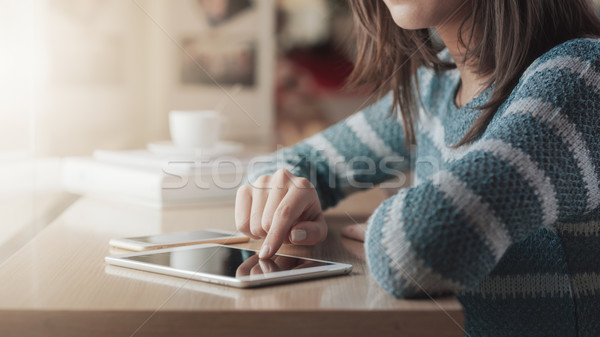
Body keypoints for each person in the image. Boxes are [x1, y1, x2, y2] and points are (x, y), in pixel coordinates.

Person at [235, 0, 600, 335]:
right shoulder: (436, 86)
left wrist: (385, 228)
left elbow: (418, 245)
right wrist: (280, 191)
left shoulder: (581, 78)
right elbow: (297, 161)